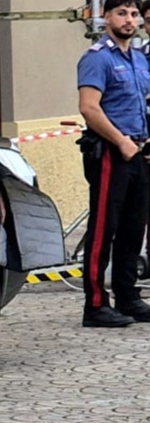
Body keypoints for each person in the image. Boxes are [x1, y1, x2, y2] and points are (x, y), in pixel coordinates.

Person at [77, 0, 150, 328]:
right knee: (104, 228)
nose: (129, 20)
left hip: (139, 152)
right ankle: (95, 305)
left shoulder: (139, 59)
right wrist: (121, 142)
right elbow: (90, 108)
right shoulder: (97, 59)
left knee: (134, 228)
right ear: (106, 17)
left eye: (134, 14)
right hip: (110, 151)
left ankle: (128, 297)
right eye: (122, 13)